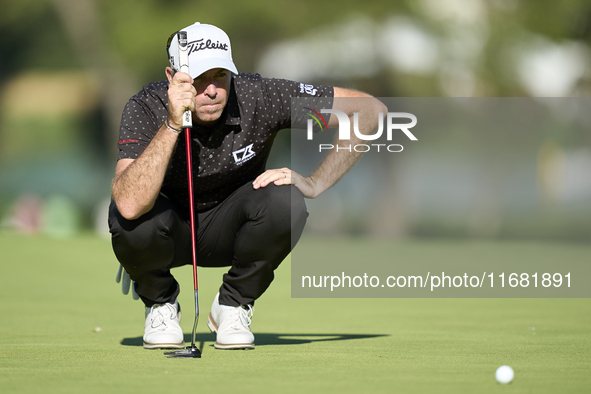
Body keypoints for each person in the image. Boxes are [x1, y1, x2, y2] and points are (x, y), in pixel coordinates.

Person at [108, 22, 386, 350]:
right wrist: (172, 122)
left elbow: (369, 112)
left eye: (220, 76)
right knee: (130, 217)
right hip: (169, 230)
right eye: (198, 79)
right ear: (173, 78)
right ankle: (160, 304)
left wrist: (313, 183)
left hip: (235, 227)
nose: (211, 90)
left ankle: (233, 305)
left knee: (288, 200)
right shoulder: (146, 106)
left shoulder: (259, 96)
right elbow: (128, 204)